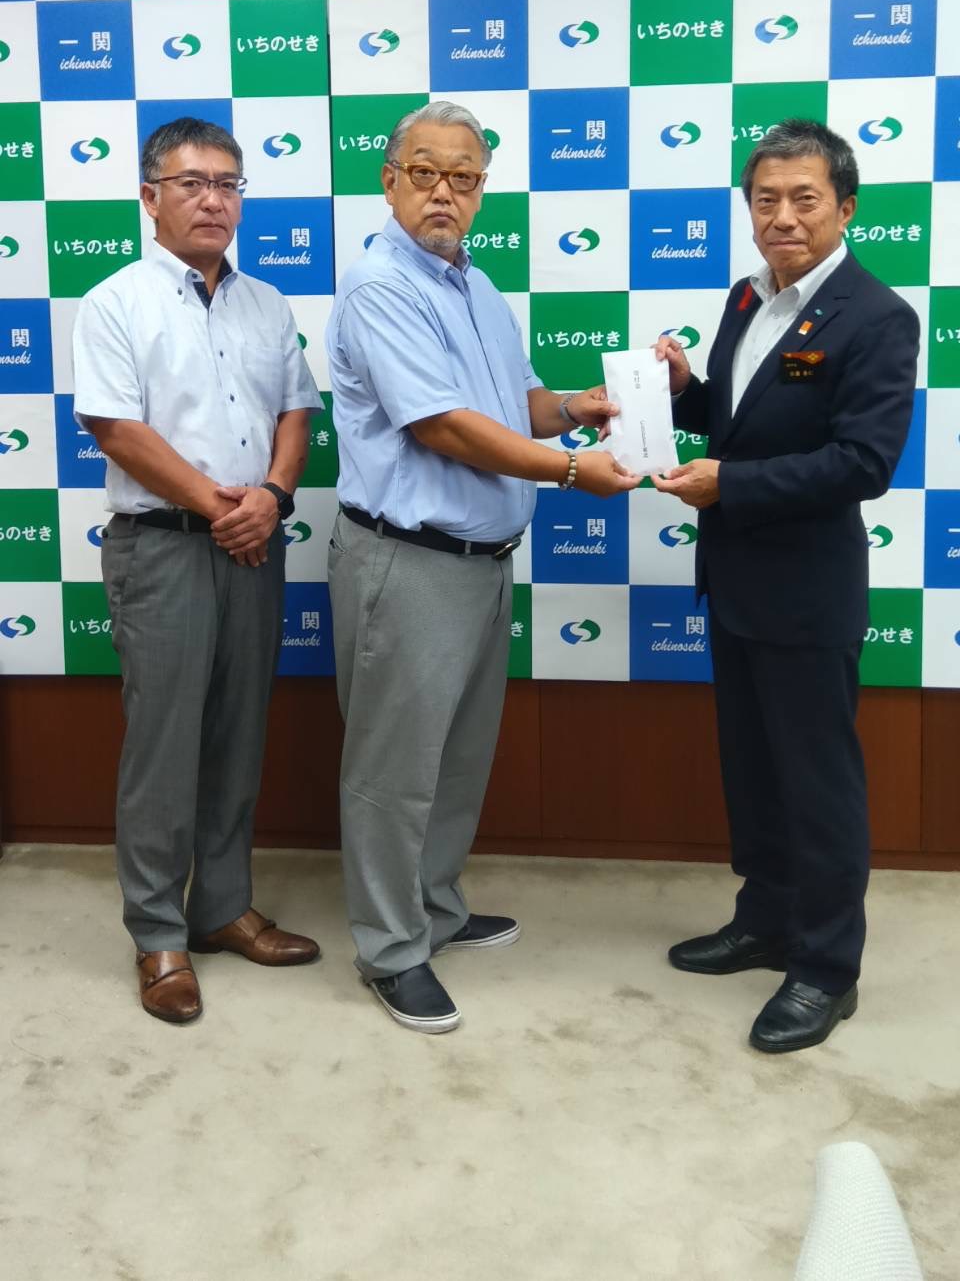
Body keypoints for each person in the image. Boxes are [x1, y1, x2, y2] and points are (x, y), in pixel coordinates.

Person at [326, 100, 640, 1033]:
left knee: (457, 760)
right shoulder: (381, 286)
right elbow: (444, 427)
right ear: (389, 179)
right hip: (408, 563)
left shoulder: (475, 282)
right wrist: (573, 470)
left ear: (481, 190)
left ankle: (435, 909)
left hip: (481, 563)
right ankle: (391, 950)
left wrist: (577, 408)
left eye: (463, 178)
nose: (444, 193)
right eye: (425, 173)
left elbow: (512, 403)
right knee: (392, 770)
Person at [652, 118, 919, 1054]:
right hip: (732, 581)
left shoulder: (877, 316)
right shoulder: (746, 297)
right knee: (754, 769)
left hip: (808, 593)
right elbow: (740, 417)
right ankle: (765, 922)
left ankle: (828, 968)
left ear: (846, 208)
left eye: (805, 198)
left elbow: (863, 463)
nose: (784, 217)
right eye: (766, 200)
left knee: (818, 785)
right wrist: (685, 390)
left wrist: (730, 485)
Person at [72, 116, 322, 1024]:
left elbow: (297, 411)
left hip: (257, 541)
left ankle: (221, 909)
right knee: (164, 746)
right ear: (150, 197)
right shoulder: (114, 302)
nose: (213, 200)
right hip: (165, 546)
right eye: (192, 183)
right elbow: (116, 428)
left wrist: (274, 497)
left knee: (236, 735)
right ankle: (157, 933)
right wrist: (226, 509)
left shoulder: (267, 304)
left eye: (228, 184)